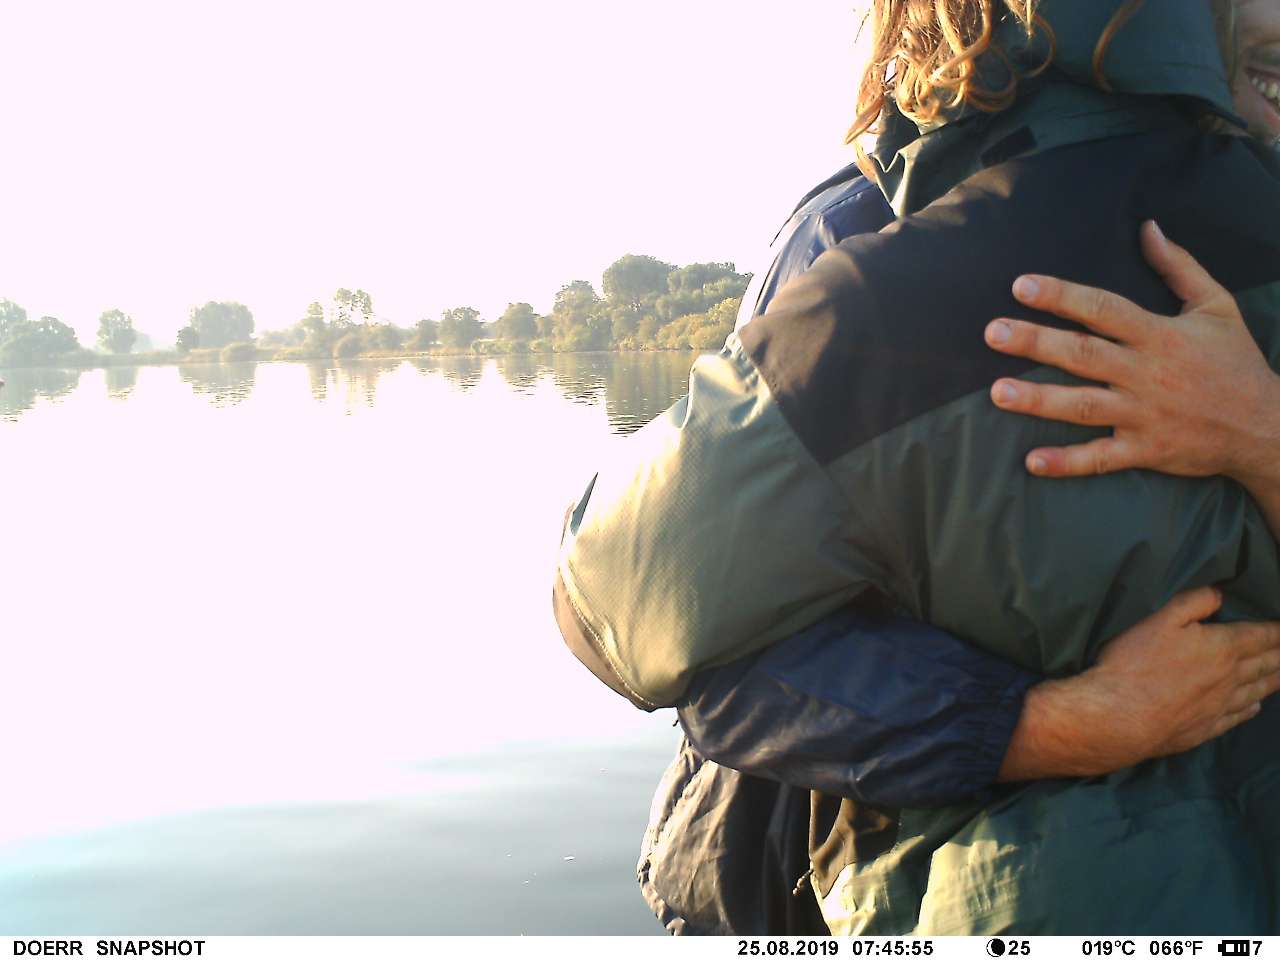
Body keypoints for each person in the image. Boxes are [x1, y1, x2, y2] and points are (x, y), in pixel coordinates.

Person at [554, 0, 1280, 934]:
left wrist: (1261, 432)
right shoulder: (850, 241)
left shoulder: (869, 301)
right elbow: (691, 648)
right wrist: (1050, 725)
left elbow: (601, 610)